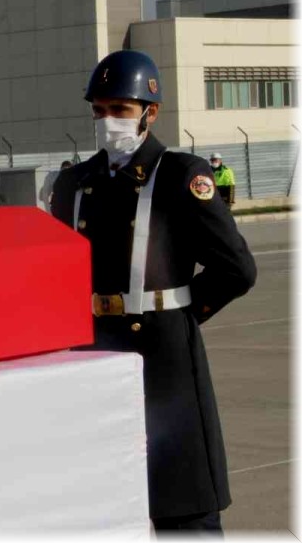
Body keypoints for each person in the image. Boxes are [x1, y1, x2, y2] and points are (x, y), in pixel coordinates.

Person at [50, 49, 256, 533]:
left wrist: (178, 314)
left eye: (120, 109)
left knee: (180, 500)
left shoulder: (181, 176)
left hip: (163, 356)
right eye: (99, 111)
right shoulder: (74, 183)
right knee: (106, 502)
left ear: (150, 112)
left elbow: (237, 268)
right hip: (95, 351)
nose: (107, 122)